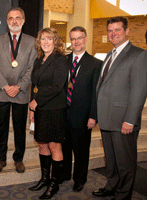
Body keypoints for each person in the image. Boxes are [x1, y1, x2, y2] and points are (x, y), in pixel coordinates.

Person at [93, 16, 147, 200]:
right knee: (111, 160)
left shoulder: (139, 55)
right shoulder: (109, 54)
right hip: (107, 118)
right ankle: (112, 185)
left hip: (124, 120)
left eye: (117, 29)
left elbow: (139, 92)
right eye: (110, 30)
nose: (113, 33)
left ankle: (123, 195)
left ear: (127, 31)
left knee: (125, 162)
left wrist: (130, 120)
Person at [0, 7, 36, 174]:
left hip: (21, 92)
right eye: (11, 18)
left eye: (17, 18)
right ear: (7, 21)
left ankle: (18, 159)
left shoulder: (32, 41)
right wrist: (5, 86)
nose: (14, 21)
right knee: (0, 128)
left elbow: (32, 68)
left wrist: (19, 87)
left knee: (19, 128)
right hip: (1, 91)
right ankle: (0, 159)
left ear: (23, 21)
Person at [28, 28, 68, 199]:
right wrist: (32, 108)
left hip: (54, 109)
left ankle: (54, 183)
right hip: (40, 109)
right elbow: (35, 85)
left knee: (54, 145)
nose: (45, 42)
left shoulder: (61, 60)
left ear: (55, 41)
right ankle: (44, 179)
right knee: (42, 143)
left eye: (49, 39)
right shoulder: (39, 60)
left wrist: (37, 101)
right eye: (43, 39)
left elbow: (57, 86)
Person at [61, 26, 102, 192]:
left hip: (83, 115)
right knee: (64, 147)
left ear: (85, 39)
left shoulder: (95, 64)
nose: (76, 42)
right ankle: (64, 174)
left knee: (81, 150)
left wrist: (93, 116)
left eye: (79, 38)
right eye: (73, 39)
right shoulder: (63, 61)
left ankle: (79, 179)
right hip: (63, 113)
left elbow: (96, 92)